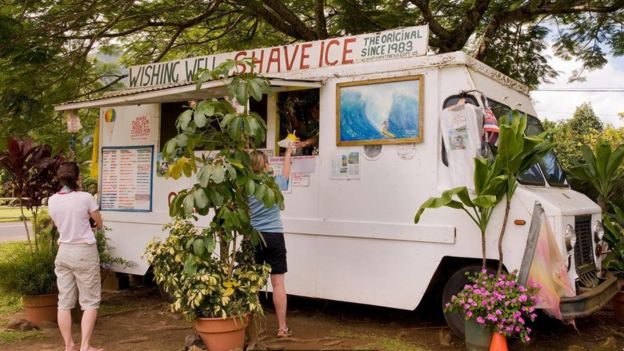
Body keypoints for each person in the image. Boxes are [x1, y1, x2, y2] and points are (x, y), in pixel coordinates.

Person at [48, 162, 104, 351]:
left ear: (60, 178)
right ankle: (85, 346)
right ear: (78, 177)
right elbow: (98, 222)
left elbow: (57, 222)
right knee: (89, 302)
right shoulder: (86, 197)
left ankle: (69, 345)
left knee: (64, 302)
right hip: (84, 252)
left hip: (64, 251)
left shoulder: (52, 200)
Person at [248, 146, 294, 338]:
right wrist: (288, 154)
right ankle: (282, 328)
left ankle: (254, 328)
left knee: (251, 284)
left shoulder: (246, 186)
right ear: (265, 164)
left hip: (254, 236)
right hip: (274, 236)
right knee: (278, 284)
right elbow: (285, 177)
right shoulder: (273, 184)